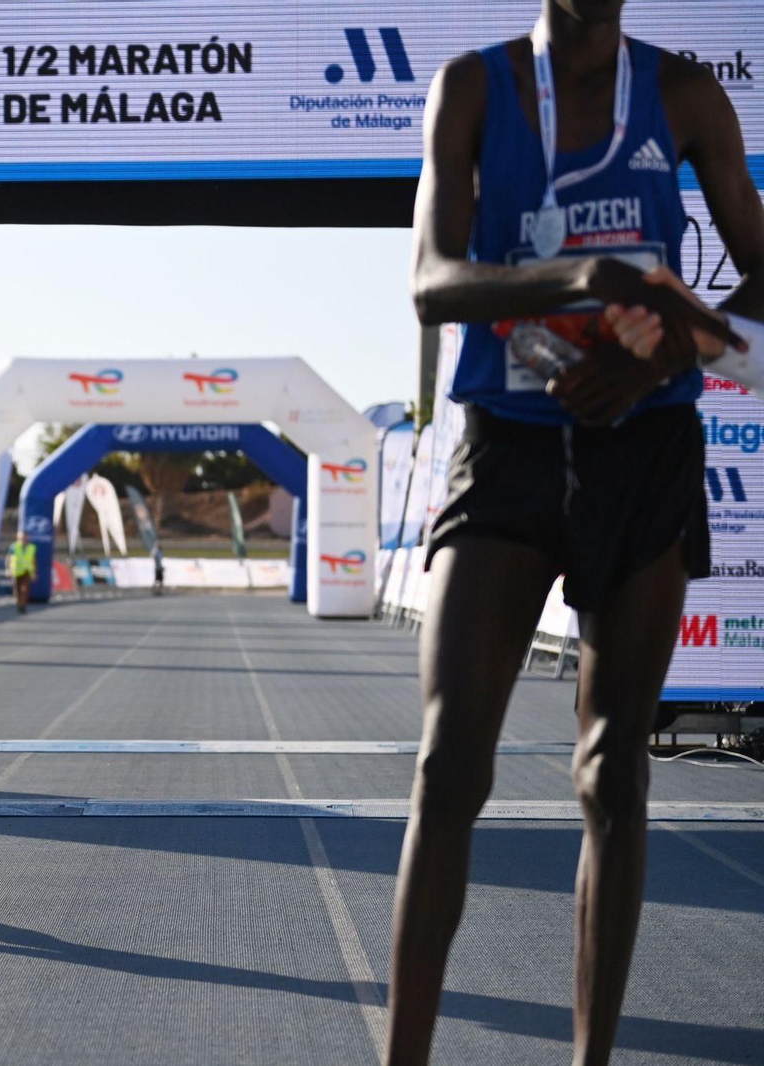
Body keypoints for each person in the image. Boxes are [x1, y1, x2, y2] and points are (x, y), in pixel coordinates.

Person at [391, 1, 762, 1063]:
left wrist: (658, 356)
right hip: (508, 444)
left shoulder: (684, 93)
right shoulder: (474, 85)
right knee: (448, 769)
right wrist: (585, 277)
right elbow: (432, 285)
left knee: (614, 775)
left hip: (642, 443)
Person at [9, 530, 36, 613]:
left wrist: (34, 572)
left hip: (26, 571)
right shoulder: (14, 547)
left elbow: (33, 560)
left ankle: (23, 605)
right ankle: (19, 603)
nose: (23, 539)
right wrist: (8, 569)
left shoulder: (32, 547)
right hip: (16, 571)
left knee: (24, 589)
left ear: (27, 538)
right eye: (20, 538)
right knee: (17, 590)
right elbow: (9, 558)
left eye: (24, 537)